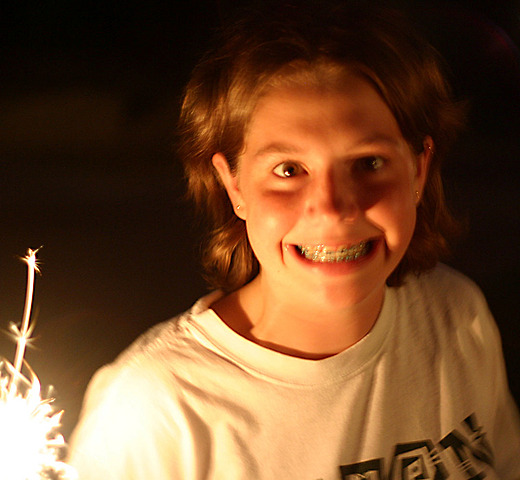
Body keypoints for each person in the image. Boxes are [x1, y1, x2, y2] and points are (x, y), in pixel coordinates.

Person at [68, 1, 520, 478]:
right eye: (288, 170)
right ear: (234, 185)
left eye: (368, 163)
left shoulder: (456, 317)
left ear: (419, 169)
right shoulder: (159, 410)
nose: (331, 207)